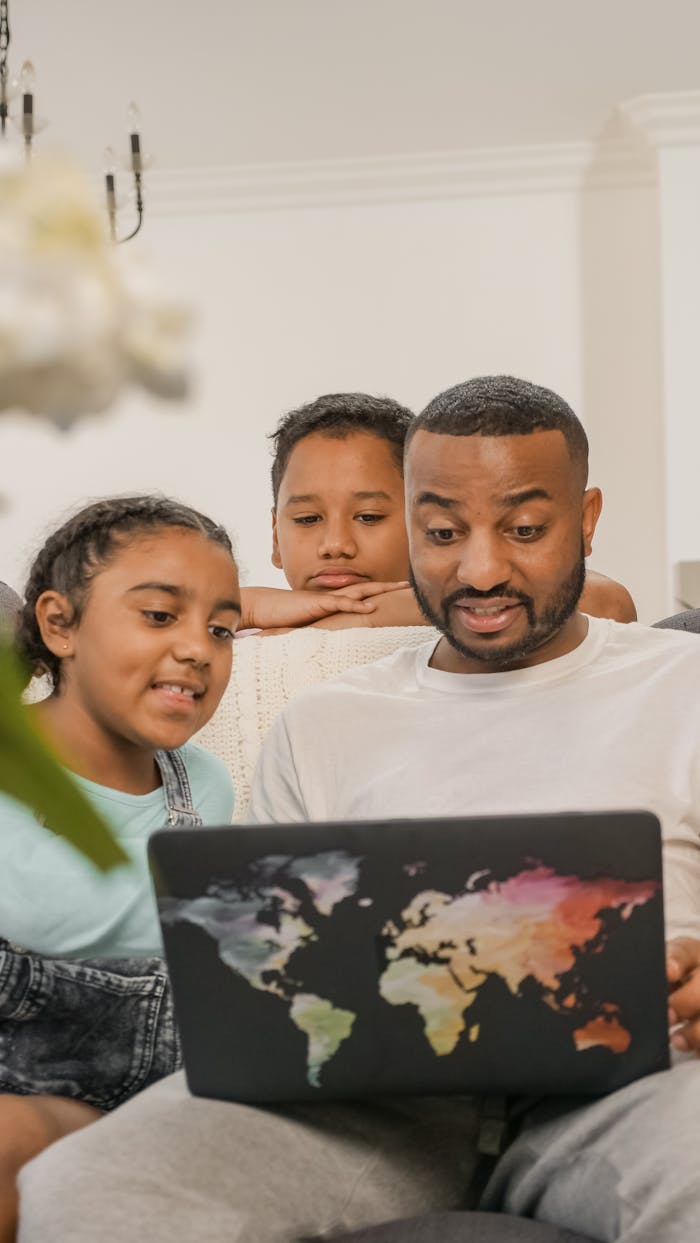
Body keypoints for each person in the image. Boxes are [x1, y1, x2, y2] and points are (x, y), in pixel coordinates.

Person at [17, 377, 700, 1243]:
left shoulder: (685, 682)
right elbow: (253, 970)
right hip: (369, 1105)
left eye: (525, 529)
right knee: (88, 1186)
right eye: (442, 532)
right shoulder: (324, 721)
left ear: (587, 517)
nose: (480, 568)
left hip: (638, 1089)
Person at [196, 392, 637, 811]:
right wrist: (247, 605)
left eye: (369, 517)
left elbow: (607, 600)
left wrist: (365, 617)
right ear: (276, 535)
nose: (335, 544)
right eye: (307, 519)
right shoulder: (238, 629)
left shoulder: (475, 618)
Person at [0, 495, 240, 1242]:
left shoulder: (206, 788)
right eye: (161, 616)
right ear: (59, 624)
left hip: (162, 1103)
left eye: (222, 628)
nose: (199, 647)